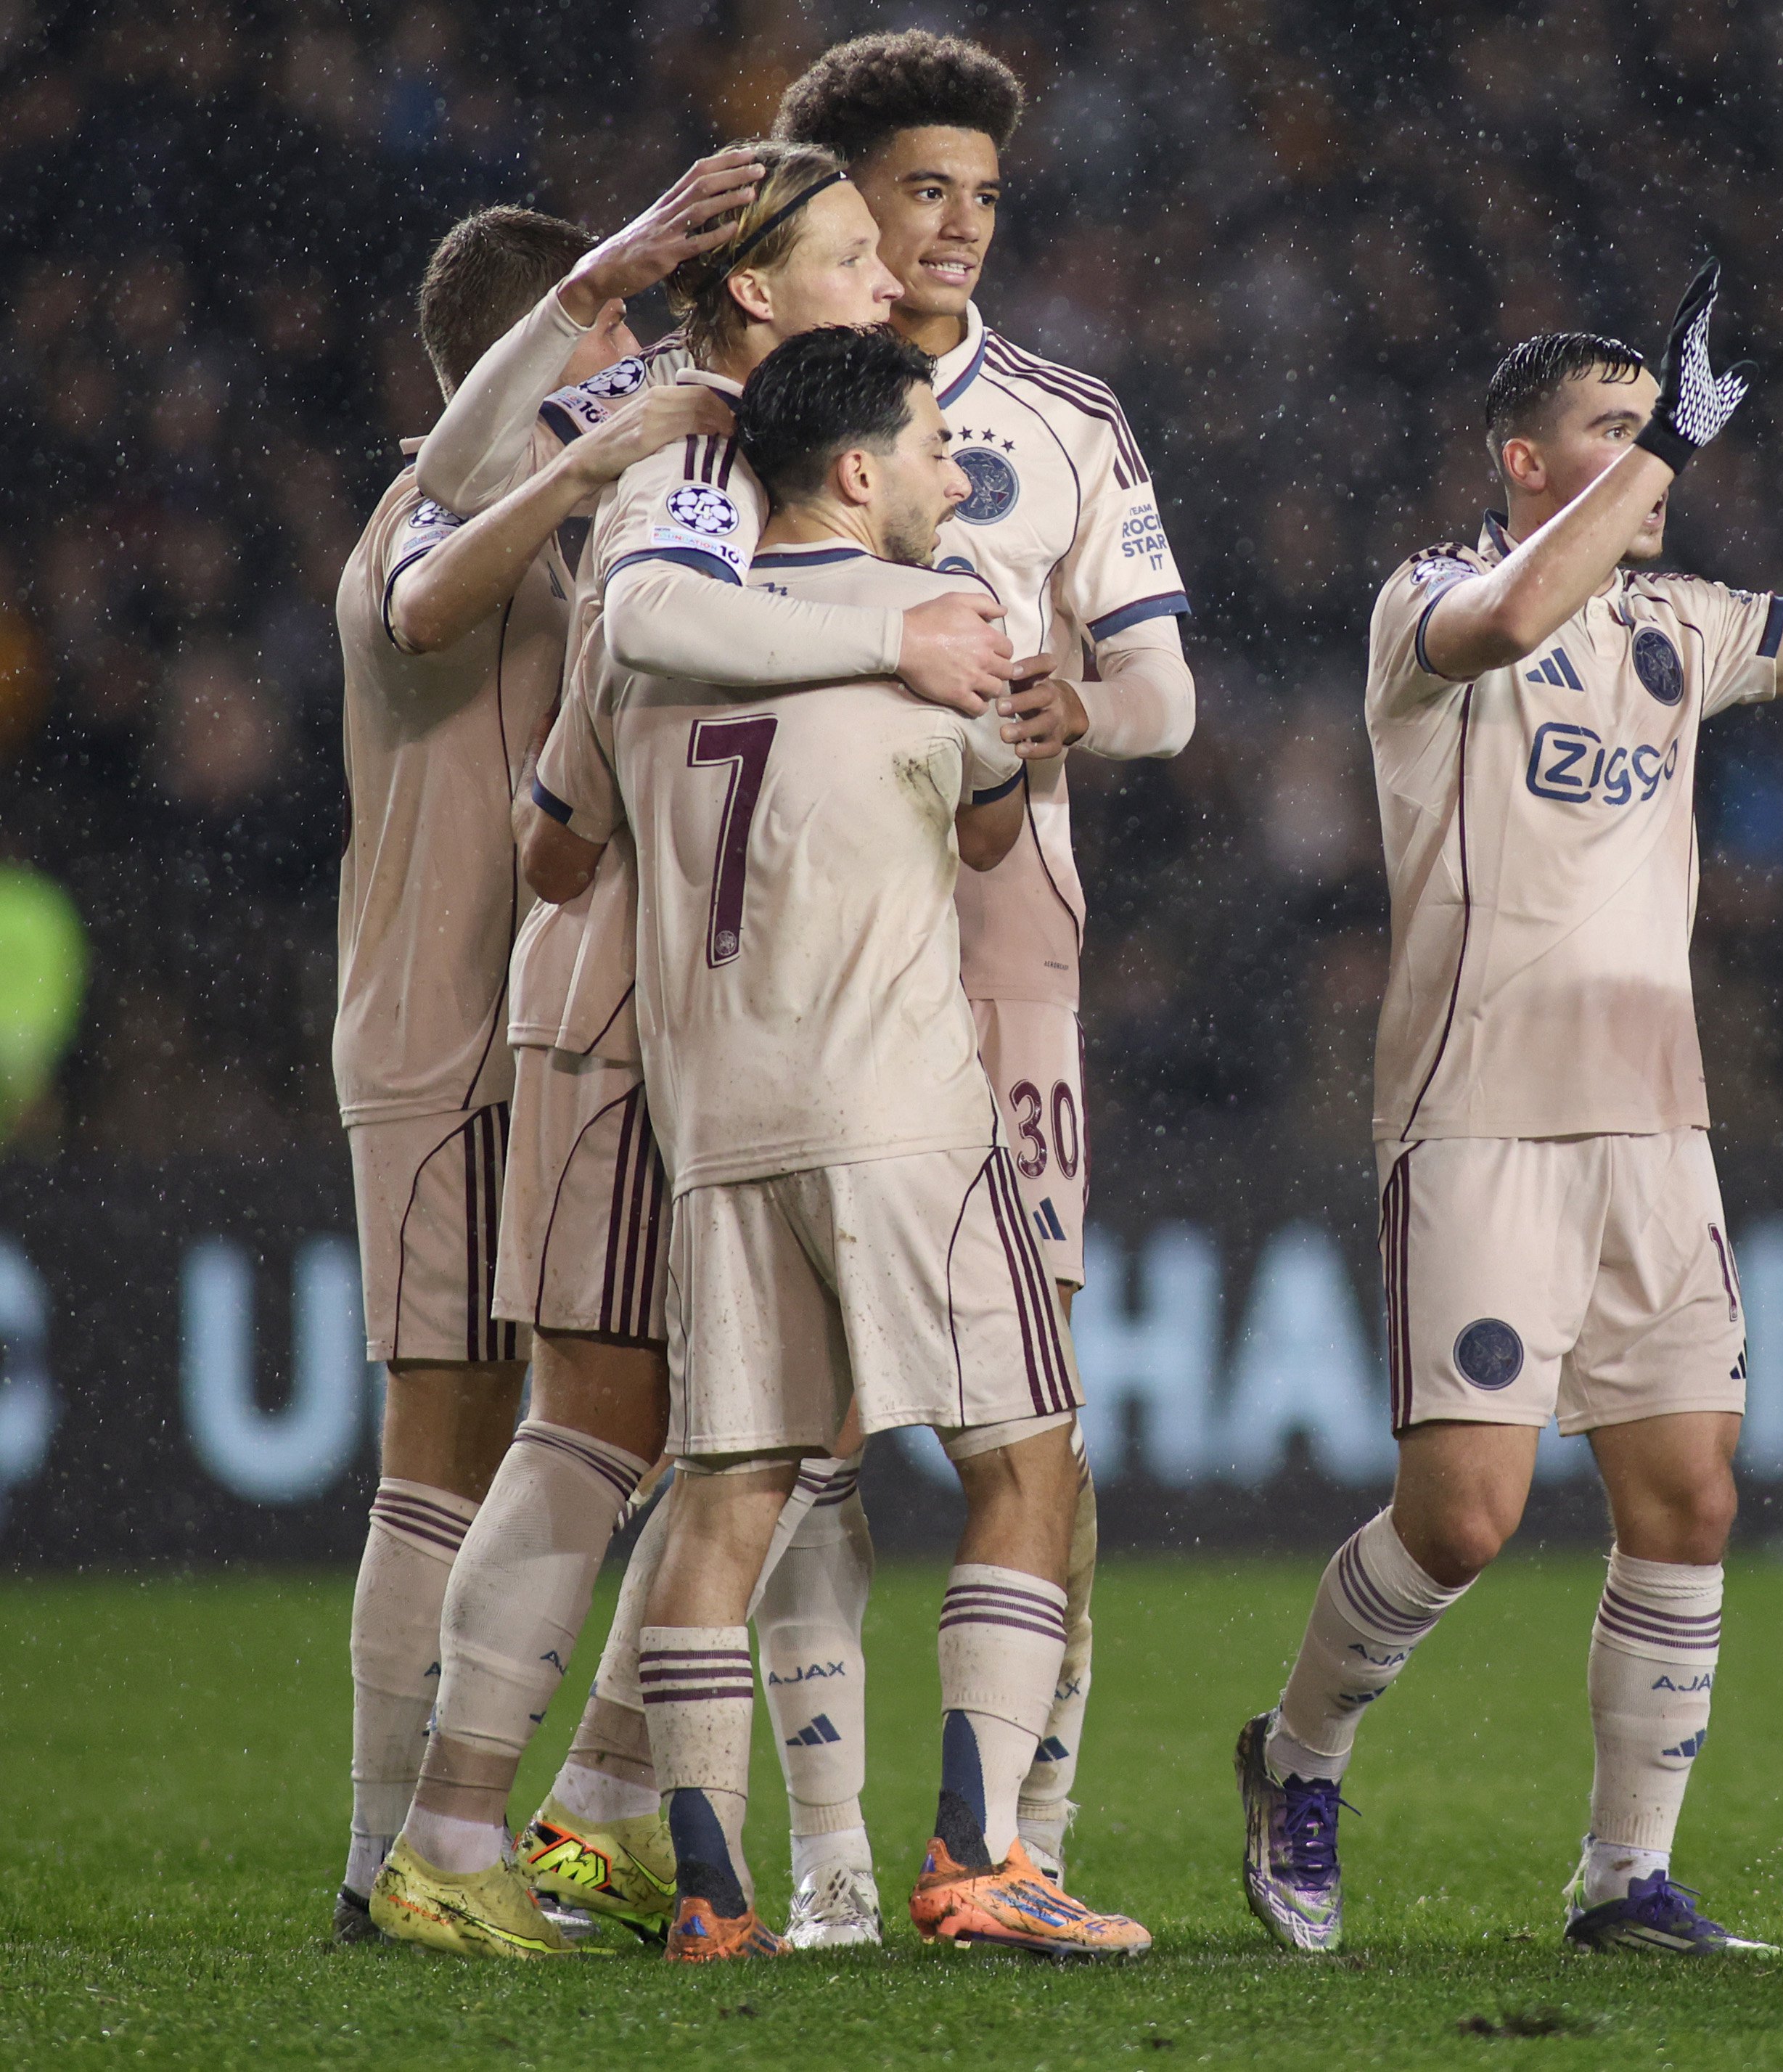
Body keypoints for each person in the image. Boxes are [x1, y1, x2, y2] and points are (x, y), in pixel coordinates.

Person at [1234, 263, 1783, 1957]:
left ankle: (1625, 1878)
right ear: (1522, 460)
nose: (1655, 450)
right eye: (1615, 426)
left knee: (1688, 1496)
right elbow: (1503, 624)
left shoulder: (1676, 623)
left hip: (1655, 1125)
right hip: (1478, 1115)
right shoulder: (1427, 601)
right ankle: (1296, 1755)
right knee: (1462, 1521)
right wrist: (1675, 450)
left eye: (1660, 420)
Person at [368, 142, 1012, 1956]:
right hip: (627, 1010)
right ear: (751, 289)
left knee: (753, 1435)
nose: (888, 278)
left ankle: (599, 1814)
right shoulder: (675, 457)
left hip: (715, 1012)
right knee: (600, 1422)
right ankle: (444, 1838)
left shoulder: (746, 467)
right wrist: (898, 649)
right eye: (849, 254)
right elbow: (582, 647)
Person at [521, 322, 1145, 1963]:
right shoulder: (942, 624)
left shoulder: (651, 636)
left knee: (730, 1489)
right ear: (858, 472)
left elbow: (552, 849)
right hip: (895, 1112)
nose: (954, 473)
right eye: (934, 445)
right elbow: (994, 830)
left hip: (716, 1123)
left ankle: (708, 1891)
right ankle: (977, 1853)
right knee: (1026, 1462)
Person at [772, 26, 1198, 1900]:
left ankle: (1022, 1832)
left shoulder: (1065, 419)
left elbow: (1168, 695)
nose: (956, 226)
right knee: (790, 1428)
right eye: (921, 191)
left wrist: (1081, 703)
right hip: (792, 946)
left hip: (1002, 947)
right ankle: (817, 1862)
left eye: (982, 197)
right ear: (843, 201)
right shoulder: (749, 407)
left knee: (1034, 1416)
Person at [332, 181, 747, 1946]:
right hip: (443, 1037)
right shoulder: (421, 518)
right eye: (616, 329)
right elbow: (428, 607)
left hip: (582, 1025)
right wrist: (581, 454)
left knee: (659, 1422)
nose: (638, 358)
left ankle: (579, 1808)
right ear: (547, 342)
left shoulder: (604, 522)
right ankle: (387, 1860)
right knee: (447, 1437)